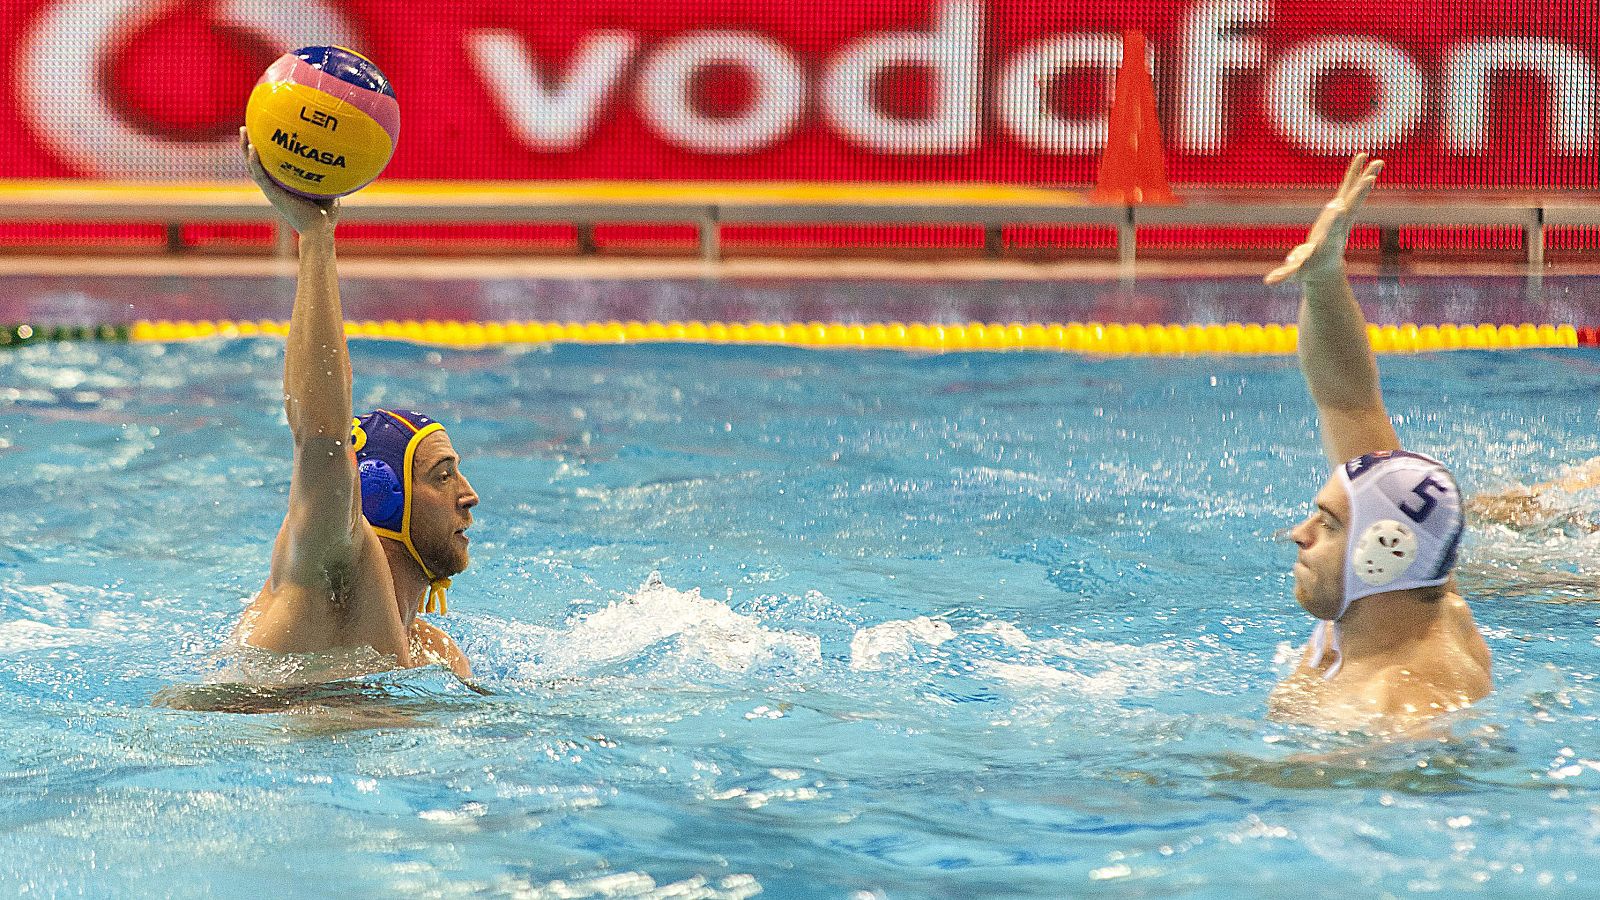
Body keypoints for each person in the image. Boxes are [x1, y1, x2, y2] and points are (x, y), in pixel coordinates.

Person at [229, 127, 476, 680]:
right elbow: (320, 439)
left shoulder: (434, 652)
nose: (469, 496)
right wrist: (316, 237)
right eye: (442, 476)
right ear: (381, 493)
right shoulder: (328, 569)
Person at [1265, 154, 1491, 731]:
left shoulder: (1394, 710)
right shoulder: (1407, 597)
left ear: (1382, 551)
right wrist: (1323, 280)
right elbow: (1348, 398)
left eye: (1330, 523)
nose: (1300, 533)